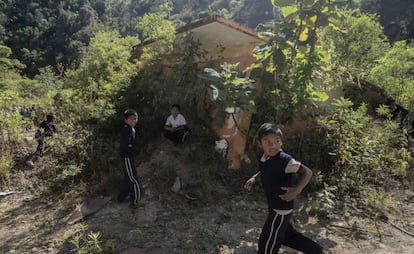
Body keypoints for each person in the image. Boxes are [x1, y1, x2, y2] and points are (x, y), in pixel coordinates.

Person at [244, 123, 323, 254]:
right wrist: (254, 178)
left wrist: (297, 190)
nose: (273, 145)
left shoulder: (286, 161)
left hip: (280, 209)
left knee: (266, 244)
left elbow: (307, 172)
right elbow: (266, 169)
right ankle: (317, 250)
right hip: (273, 205)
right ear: (260, 144)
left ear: (281, 142)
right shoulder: (263, 156)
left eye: (277, 141)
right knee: (286, 236)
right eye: (267, 142)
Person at [118, 109, 141, 209]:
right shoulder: (126, 130)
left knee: (128, 178)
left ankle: (120, 198)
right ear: (125, 120)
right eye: (131, 118)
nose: (134, 120)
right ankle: (135, 202)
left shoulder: (131, 129)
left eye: (135, 118)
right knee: (133, 179)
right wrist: (134, 150)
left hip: (128, 157)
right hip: (127, 157)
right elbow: (125, 145)